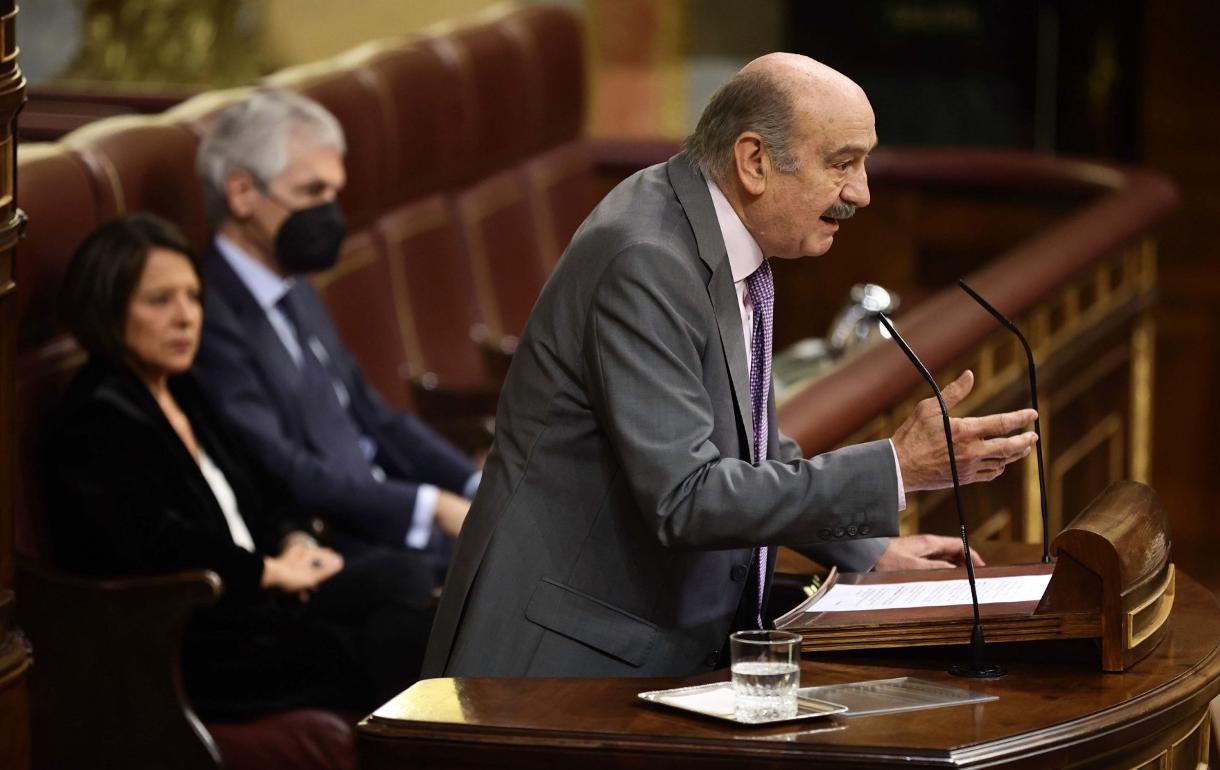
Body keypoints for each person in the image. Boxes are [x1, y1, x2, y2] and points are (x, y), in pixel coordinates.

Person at [422, 54, 1039, 679]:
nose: (862, 191)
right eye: (842, 163)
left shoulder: (713, 232)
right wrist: (896, 469)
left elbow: (749, 444)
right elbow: (685, 497)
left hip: (637, 643)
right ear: (754, 161)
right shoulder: (648, 259)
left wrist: (870, 551)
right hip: (558, 668)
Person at [45, 213, 434, 718]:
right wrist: (269, 571)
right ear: (108, 309)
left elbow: (267, 489)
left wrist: (296, 541)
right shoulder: (95, 418)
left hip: (266, 599)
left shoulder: (181, 388)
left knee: (404, 577)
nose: (186, 317)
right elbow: (158, 546)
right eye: (160, 301)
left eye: (192, 297)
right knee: (403, 640)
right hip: (206, 635)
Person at [191, 89, 478, 572]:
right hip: (332, 544)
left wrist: (475, 487)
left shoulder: (294, 283)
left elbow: (374, 416)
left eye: (334, 193)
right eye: (311, 192)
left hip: (388, 515)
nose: (330, 213)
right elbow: (283, 467)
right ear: (242, 193)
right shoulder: (206, 311)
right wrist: (431, 506)